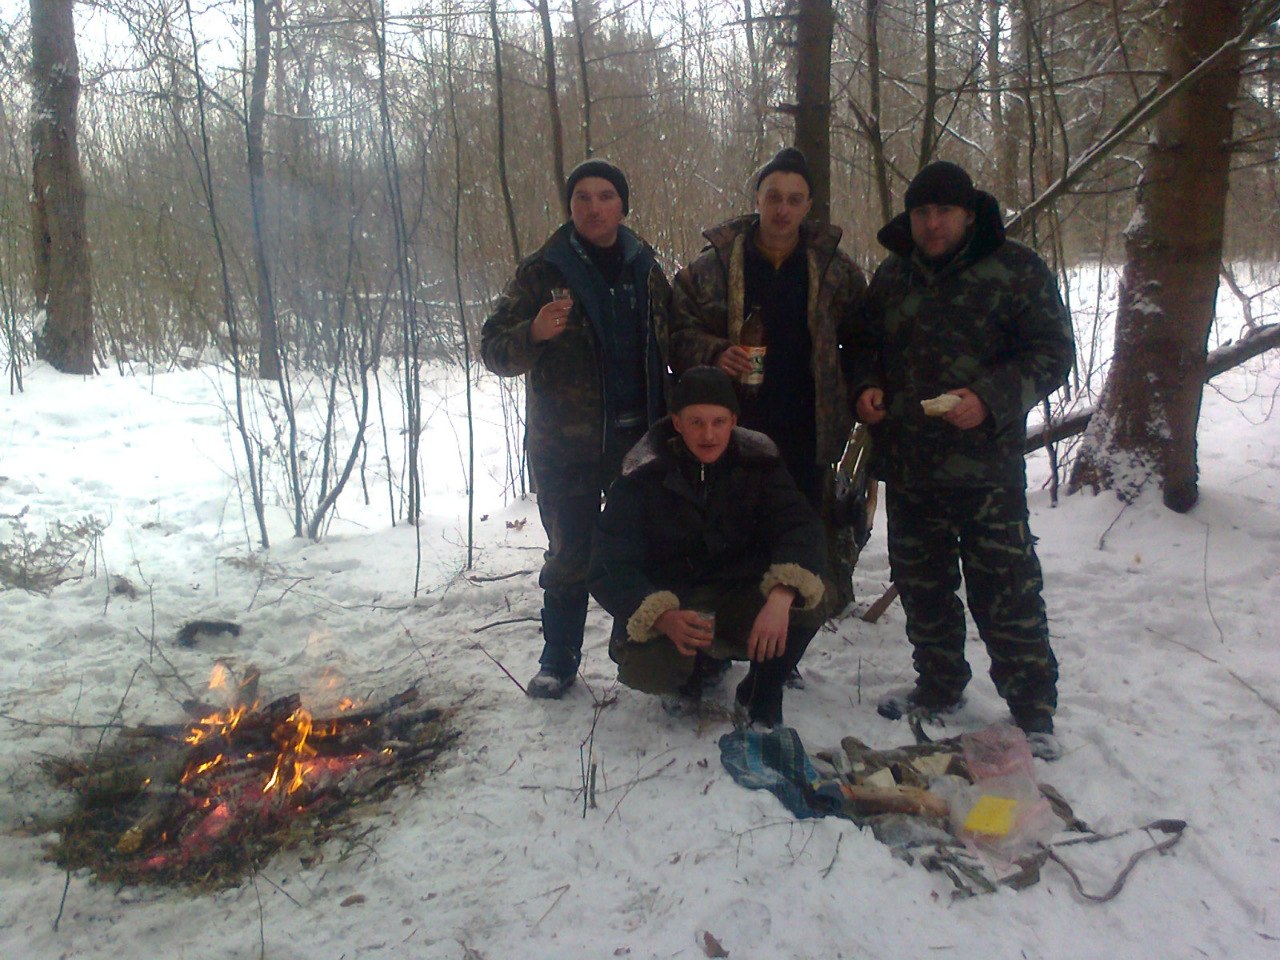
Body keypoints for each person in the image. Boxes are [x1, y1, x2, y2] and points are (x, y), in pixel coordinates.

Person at [848, 160, 1075, 760]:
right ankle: (939, 684)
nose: (932, 224)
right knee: (923, 585)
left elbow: (1053, 353)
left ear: (968, 214)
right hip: (910, 464)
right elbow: (863, 345)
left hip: (986, 468)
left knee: (1006, 589)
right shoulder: (893, 277)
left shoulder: (1015, 269)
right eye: (921, 213)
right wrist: (867, 385)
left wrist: (990, 398)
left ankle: (1032, 710)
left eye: (944, 212)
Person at [481, 159, 671, 699]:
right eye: (582, 197)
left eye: (606, 196)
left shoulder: (646, 268)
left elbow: (674, 339)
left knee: (640, 548)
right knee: (570, 553)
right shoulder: (542, 272)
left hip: (639, 441)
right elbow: (492, 349)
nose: (594, 207)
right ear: (570, 207)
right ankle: (559, 658)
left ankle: (642, 652)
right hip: (566, 446)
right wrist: (533, 332)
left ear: (623, 206)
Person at [668, 147, 866, 616]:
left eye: (794, 200)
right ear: (756, 198)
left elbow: (865, 341)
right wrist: (715, 352)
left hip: (807, 426)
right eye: (773, 197)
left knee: (797, 528)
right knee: (731, 528)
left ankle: (789, 627)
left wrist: (861, 391)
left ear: (808, 206)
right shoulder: (712, 268)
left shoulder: (835, 270)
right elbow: (674, 336)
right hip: (731, 428)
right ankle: (731, 622)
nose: (782, 209)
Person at [588, 367, 826, 727]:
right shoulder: (641, 474)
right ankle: (690, 676)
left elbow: (801, 526)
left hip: (736, 593)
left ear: (733, 421)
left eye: (718, 422)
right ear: (677, 422)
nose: (709, 434)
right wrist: (662, 616)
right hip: (673, 600)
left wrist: (781, 595)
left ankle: (761, 688)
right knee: (647, 669)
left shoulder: (759, 462)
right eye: (696, 422)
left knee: (810, 600)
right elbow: (608, 564)